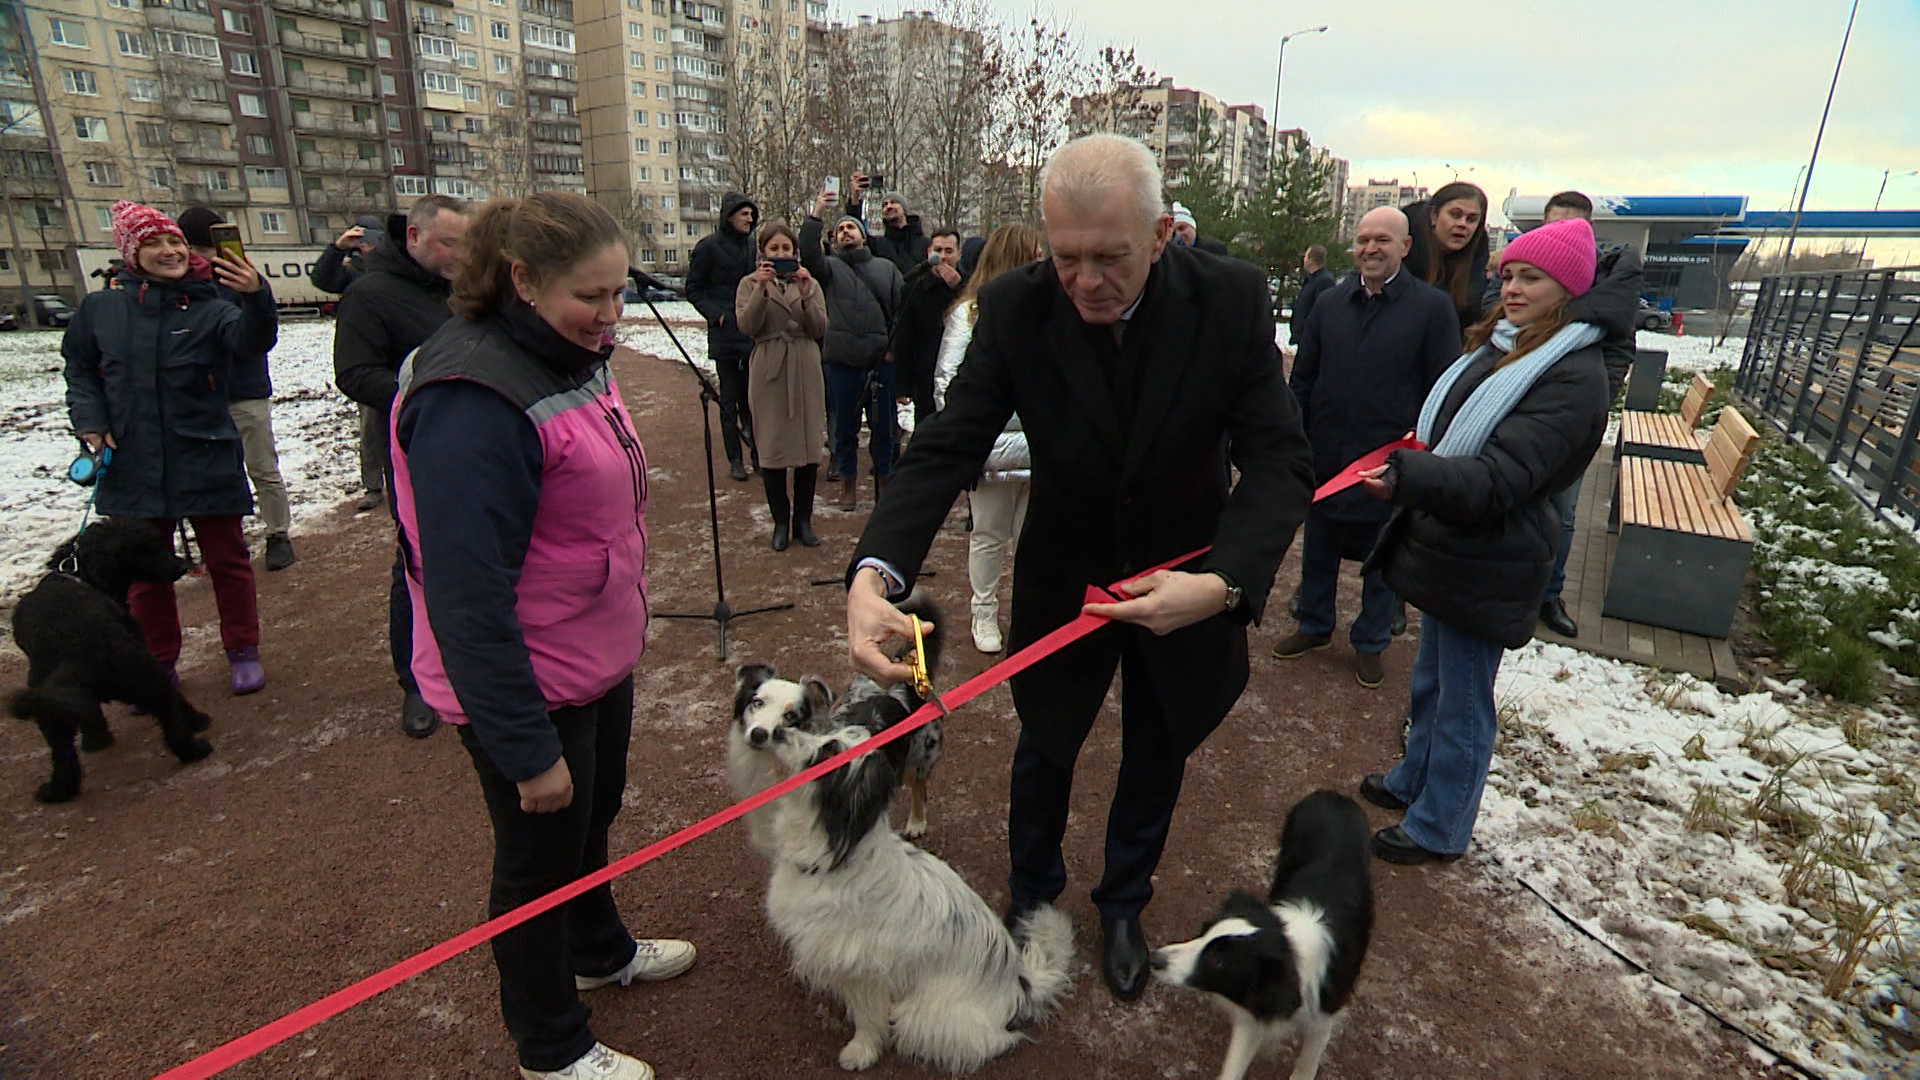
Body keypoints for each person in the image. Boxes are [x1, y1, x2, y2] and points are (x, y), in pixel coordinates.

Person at [845, 134, 1314, 1003]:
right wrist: (876, 571)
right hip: (1068, 573)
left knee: (1158, 746)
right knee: (1047, 742)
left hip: (1191, 581)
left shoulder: (1233, 300)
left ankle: (1124, 903)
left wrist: (1223, 585)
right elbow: (950, 442)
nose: (1087, 282)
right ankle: (1032, 894)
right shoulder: (1020, 307)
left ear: (1164, 234)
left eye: (1112, 258)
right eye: (1068, 259)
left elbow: (1281, 459)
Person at [392, 191, 695, 1080]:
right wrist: (525, 749)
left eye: (619, 294)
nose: (612, 317)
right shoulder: (472, 397)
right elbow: (465, 594)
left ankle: (598, 951)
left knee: (591, 820)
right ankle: (550, 1045)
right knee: (536, 862)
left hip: (590, 648)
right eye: (590, 298)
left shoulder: (567, 351)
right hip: (527, 680)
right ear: (521, 281)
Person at [1353, 215, 1611, 865]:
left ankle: (1440, 825)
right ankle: (1414, 779)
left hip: (1495, 551)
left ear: (1569, 288)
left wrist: (1411, 476)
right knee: (1432, 681)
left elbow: (1501, 478)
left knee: (1464, 696)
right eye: (1511, 275)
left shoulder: (1572, 375)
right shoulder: (1507, 346)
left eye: (1534, 278)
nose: (1515, 289)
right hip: (1455, 544)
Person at [63, 201, 277, 695]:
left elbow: (251, 340)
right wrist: (90, 422)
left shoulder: (212, 303)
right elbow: (79, 370)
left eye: (175, 241)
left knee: (228, 560)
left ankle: (242, 650)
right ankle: (157, 663)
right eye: (155, 243)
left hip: (204, 450)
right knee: (142, 570)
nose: (169, 251)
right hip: (133, 457)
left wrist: (256, 298)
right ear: (131, 253)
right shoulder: (102, 309)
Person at [1271, 208, 1460, 689]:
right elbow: (1305, 378)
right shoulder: (1330, 305)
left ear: (1405, 247)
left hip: (1390, 463)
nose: (1370, 249)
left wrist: (1418, 457)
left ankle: (1371, 642)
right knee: (1318, 550)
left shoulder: (1432, 309)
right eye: (1361, 240)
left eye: (1381, 240)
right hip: (1327, 455)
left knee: (1381, 562)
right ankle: (1314, 624)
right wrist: (1296, 439)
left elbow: (1442, 391)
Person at [333, 194, 471, 740]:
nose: (460, 253)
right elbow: (354, 373)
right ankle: (416, 679)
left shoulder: (465, 289)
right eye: (449, 243)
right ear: (413, 238)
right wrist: (424, 394)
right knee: (417, 563)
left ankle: (485, 663)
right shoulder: (370, 294)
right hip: (418, 446)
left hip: (481, 440)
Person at [1522, 190, 1645, 640]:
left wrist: (1591, 404)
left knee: (1564, 511)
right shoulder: (1529, 276)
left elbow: (1618, 351)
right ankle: (1515, 588)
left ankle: (1549, 595)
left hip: (1575, 423)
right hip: (1523, 415)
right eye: (1555, 227)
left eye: (1576, 228)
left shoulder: (1607, 286)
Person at [931, 222, 1045, 654]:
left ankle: (1030, 616)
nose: (1042, 263)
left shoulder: (1049, 313)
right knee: (989, 535)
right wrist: (972, 443)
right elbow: (947, 383)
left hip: (1040, 450)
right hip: (992, 451)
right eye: (1033, 255)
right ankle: (983, 612)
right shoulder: (970, 313)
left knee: (1034, 540)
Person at [176, 206, 296, 574]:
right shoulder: (176, 283)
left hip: (244, 391)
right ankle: (225, 540)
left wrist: (251, 291)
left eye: (204, 248)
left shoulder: (243, 278)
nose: (202, 257)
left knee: (261, 466)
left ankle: (278, 534)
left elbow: (260, 332)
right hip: (197, 396)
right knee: (210, 473)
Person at [801, 192, 903, 511]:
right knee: (844, 428)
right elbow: (807, 252)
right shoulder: (829, 269)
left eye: (851, 227)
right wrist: (816, 214)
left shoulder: (886, 269)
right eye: (840, 229)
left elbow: (902, 312)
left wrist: (893, 351)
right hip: (842, 361)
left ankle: (885, 481)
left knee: (883, 427)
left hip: (879, 361)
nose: (845, 232)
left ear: (863, 235)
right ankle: (848, 484)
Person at [735, 223, 827, 551]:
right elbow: (747, 326)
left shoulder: (809, 283)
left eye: (785, 249)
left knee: (807, 447)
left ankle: (804, 521)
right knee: (772, 447)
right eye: (773, 249)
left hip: (804, 365)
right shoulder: (748, 284)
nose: (780, 254)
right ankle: (780, 522)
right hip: (769, 367)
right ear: (763, 252)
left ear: (794, 252)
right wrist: (761, 289)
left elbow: (818, 328)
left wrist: (804, 297)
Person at [685, 191, 761, 482]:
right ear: (729, 215)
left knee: (753, 401)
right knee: (729, 400)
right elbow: (692, 288)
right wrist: (715, 315)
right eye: (744, 214)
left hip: (751, 333)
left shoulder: (752, 246)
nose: (750, 219)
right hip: (725, 335)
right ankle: (735, 460)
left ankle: (758, 456)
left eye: (752, 215)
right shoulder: (708, 247)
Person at [892, 228, 966, 429]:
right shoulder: (914, 289)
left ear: (958, 255)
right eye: (938, 250)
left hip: (961, 376)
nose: (943, 257)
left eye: (949, 251)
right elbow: (905, 339)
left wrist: (959, 288)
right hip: (925, 376)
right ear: (928, 253)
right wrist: (903, 386)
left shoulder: (970, 288)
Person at [1404, 181, 1491, 334]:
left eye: (1471, 219)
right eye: (1455, 215)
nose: (1462, 224)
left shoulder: (1476, 268)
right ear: (1433, 216)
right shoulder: (1401, 255)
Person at [858, 189, 930, 274]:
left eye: (893, 202)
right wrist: (855, 201)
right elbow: (856, 231)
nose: (888, 207)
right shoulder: (878, 245)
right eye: (885, 205)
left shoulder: (926, 243)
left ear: (904, 209)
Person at [309, 214, 383, 295]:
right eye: (360, 238)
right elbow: (322, 280)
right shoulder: (352, 272)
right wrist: (338, 248)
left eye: (373, 238)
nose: (366, 243)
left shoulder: (391, 269)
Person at [1289, 244, 1335, 337]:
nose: (1303, 260)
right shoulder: (1311, 280)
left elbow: (1322, 312)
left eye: (1305, 256)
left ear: (1311, 260)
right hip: (1303, 337)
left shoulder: (1324, 281)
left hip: (1311, 338)